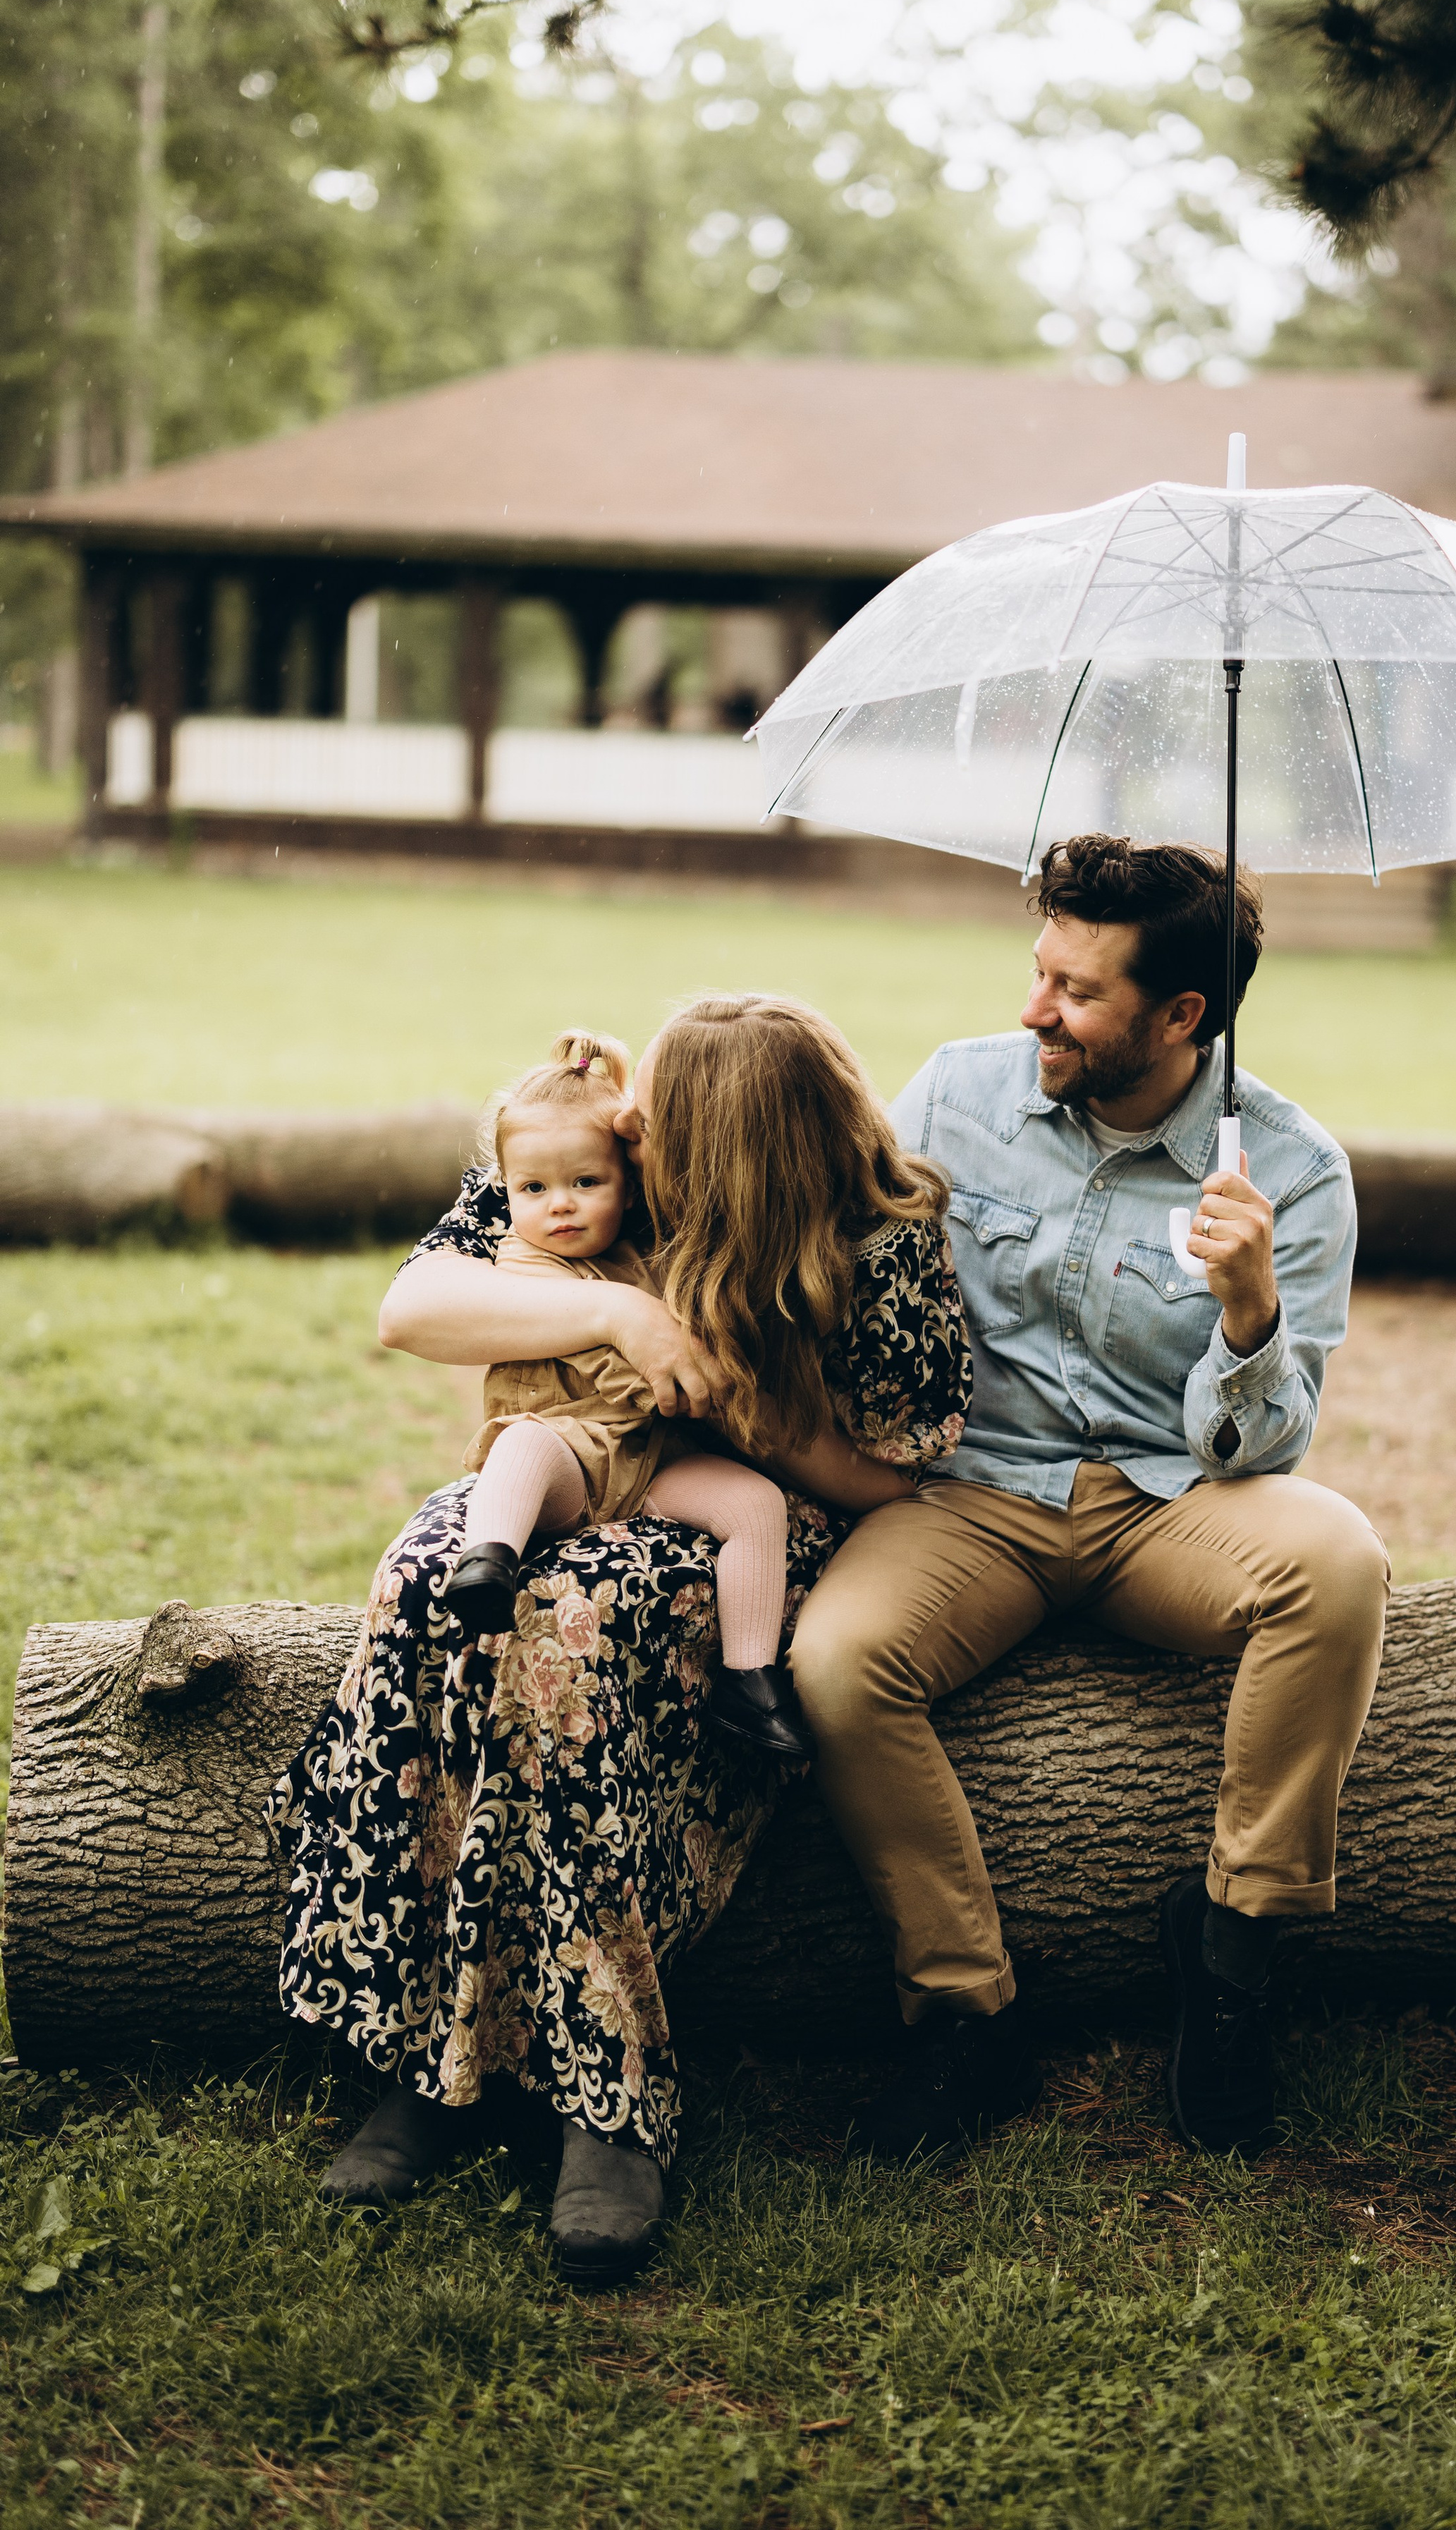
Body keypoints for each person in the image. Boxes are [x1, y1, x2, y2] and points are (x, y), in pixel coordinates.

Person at [266, 994, 970, 2285]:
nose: (632, 1125)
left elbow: (896, 1475)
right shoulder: (609, 1169)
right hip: (571, 1466)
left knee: (574, 1636)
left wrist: (743, 1412)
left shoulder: (881, 1234)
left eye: (661, 1122)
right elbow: (415, 1306)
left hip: (754, 1511)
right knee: (431, 1586)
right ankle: (439, 2056)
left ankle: (609, 2095)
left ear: (731, 1153)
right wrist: (620, 1319)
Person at [787, 833, 1390, 2163]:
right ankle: (965, 2012)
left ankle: (1235, 1942)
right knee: (835, 1663)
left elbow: (1266, 1454)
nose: (1033, 1010)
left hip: (1169, 1501)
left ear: (1182, 1016)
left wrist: (1248, 1316)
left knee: (1337, 1561)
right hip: (975, 1495)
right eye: (1038, 970)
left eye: (1076, 992)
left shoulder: (1291, 1171)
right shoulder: (955, 1097)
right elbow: (836, 1265)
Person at [449, 1023, 838, 1760]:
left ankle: (749, 1681)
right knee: (525, 1441)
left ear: (627, 1186)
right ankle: (488, 1558)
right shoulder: (525, 1265)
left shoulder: (649, 1253)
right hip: (570, 1454)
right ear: (507, 1192)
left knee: (756, 1505)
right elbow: (622, 1370)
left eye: (584, 1184)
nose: (558, 1206)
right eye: (533, 1189)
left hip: (651, 1457)